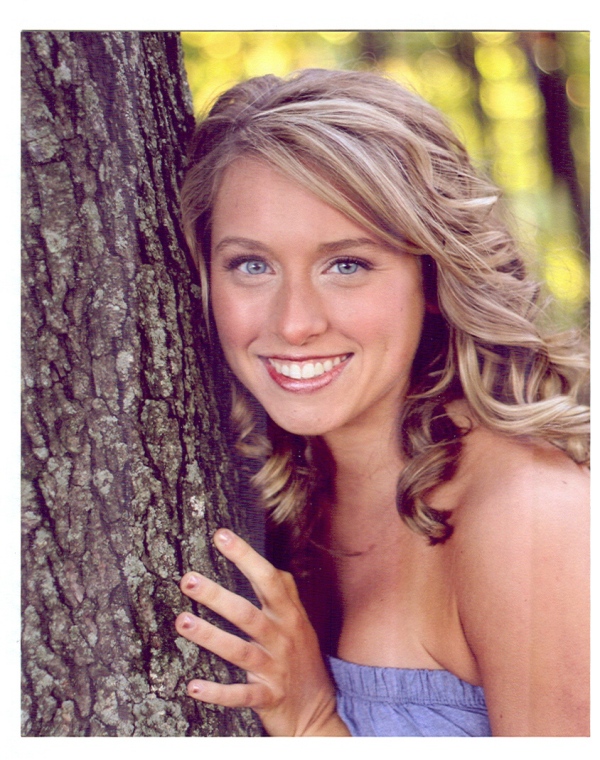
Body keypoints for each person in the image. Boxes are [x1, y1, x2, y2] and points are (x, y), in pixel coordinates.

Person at [174, 68, 590, 737]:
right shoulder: (272, 488)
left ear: (433, 276)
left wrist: (314, 723)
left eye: (347, 265)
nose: (294, 322)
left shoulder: (527, 514)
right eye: (252, 265)